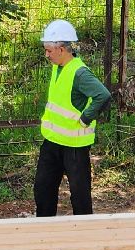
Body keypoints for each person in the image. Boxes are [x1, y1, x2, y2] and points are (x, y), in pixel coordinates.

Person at [35, 19, 111, 217]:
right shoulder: (57, 67)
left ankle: (83, 234)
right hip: (52, 143)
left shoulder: (80, 73)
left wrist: (86, 118)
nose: (47, 55)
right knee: (42, 190)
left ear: (61, 49)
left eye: (49, 51)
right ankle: (45, 231)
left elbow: (103, 95)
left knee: (80, 195)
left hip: (75, 146)